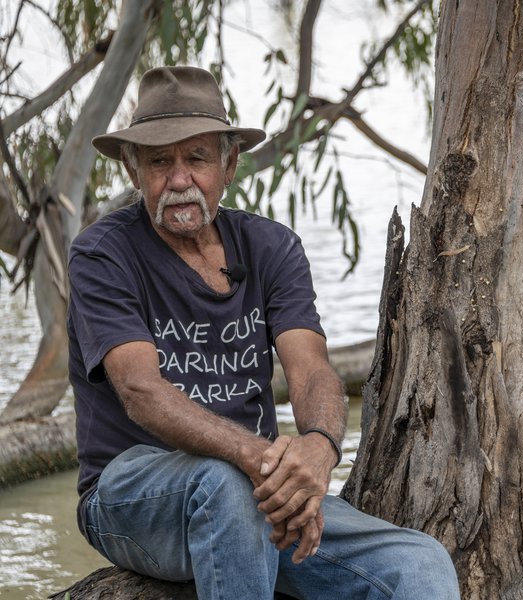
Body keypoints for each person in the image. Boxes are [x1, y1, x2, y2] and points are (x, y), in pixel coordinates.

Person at [68, 65, 460, 599]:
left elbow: (311, 368)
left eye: (198, 158)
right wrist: (262, 462)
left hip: (256, 490)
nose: (179, 179)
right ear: (134, 171)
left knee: (420, 564)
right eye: (160, 161)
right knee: (224, 485)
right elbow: (141, 392)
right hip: (131, 493)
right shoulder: (102, 254)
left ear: (229, 165)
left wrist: (320, 449)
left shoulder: (271, 247)